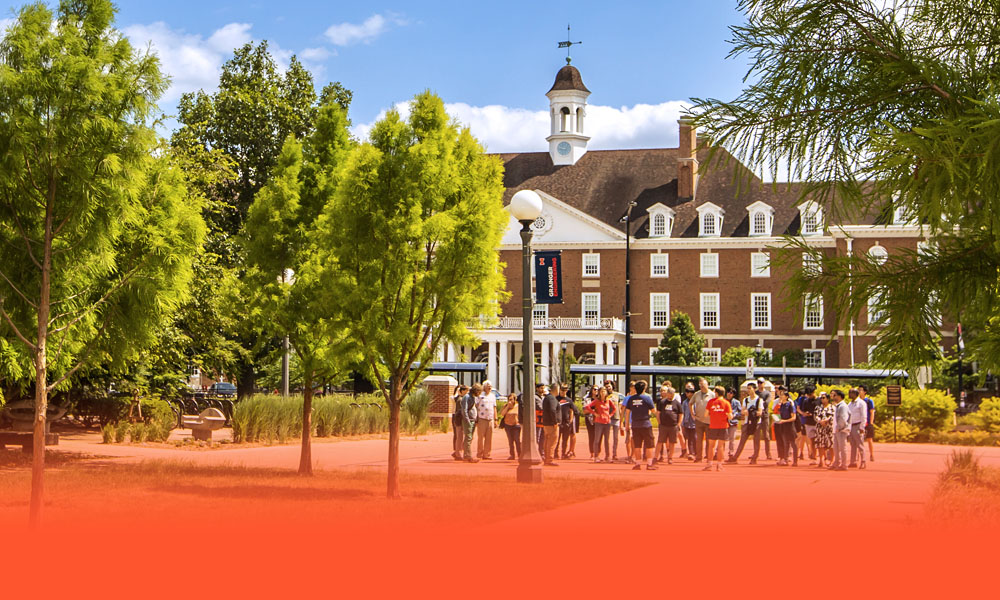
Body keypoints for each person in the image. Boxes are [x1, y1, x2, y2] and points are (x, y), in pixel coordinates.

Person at [625, 380, 657, 470]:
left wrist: (627, 424)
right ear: (644, 389)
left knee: (637, 445)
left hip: (635, 425)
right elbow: (654, 411)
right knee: (649, 444)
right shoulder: (647, 398)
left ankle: (638, 463)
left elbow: (627, 412)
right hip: (645, 424)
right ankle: (649, 464)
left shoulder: (631, 399)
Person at [703, 385, 732, 471]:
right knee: (720, 446)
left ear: (716, 393)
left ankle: (709, 464)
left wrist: (713, 413)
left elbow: (705, 414)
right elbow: (730, 416)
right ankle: (719, 465)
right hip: (723, 427)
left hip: (713, 426)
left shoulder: (711, 402)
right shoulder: (726, 403)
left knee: (711, 446)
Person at [584, 386, 616, 462]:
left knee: (606, 440)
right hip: (599, 422)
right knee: (597, 439)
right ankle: (596, 456)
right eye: (601, 391)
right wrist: (594, 413)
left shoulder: (608, 401)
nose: (603, 393)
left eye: (604, 391)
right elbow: (588, 407)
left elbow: (614, 409)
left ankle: (607, 456)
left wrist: (610, 415)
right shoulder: (597, 401)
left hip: (607, 422)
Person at [748, 382, 773, 465]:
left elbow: (766, 403)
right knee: (756, 436)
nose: (759, 384)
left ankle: (768, 453)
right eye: (758, 382)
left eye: (761, 382)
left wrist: (759, 405)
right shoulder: (756, 394)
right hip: (756, 417)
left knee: (766, 435)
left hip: (764, 415)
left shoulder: (767, 393)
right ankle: (755, 454)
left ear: (764, 383)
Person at [655, 385, 682, 464]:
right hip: (663, 425)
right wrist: (659, 422)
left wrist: (679, 424)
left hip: (673, 426)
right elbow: (658, 413)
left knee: (672, 442)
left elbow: (680, 414)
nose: (670, 396)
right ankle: (655, 457)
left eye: (671, 395)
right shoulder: (662, 402)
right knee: (660, 441)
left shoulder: (677, 403)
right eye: (669, 395)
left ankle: (670, 457)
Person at [691, 378, 715, 462]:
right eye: (700, 386)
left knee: (709, 440)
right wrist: (692, 413)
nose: (702, 387)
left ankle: (708, 457)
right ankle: (698, 457)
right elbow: (690, 403)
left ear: (707, 385)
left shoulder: (712, 394)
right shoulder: (696, 394)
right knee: (698, 440)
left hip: (709, 421)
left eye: (703, 385)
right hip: (699, 420)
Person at [774, 385, 799, 466]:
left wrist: (784, 421)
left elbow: (793, 417)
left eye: (782, 395)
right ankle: (785, 459)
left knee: (793, 444)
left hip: (790, 426)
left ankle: (795, 461)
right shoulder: (781, 405)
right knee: (785, 443)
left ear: (786, 396)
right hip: (783, 426)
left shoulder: (790, 404)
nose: (780, 396)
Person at [557, 384, 581, 459]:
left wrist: (570, 421)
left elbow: (575, 411)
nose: (564, 392)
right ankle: (555, 453)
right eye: (562, 390)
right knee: (556, 440)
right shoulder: (555, 399)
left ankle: (563, 453)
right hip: (558, 422)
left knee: (565, 440)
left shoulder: (569, 400)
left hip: (566, 423)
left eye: (565, 390)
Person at [797, 385, 818, 465]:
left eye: (810, 394)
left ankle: (824, 457)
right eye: (807, 395)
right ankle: (814, 457)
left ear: (813, 392)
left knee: (819, 441)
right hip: (808, 423)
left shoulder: (819, 400)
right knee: (812, 441)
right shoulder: (806, 401)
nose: (809, 396)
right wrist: (804, 414)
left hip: (817, 423)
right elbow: (803, 410)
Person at [476, 380, 497, 459]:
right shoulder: (480, 396)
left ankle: (487, 454)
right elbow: (476, 406)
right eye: (488, 386)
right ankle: (479, 453)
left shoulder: (492, 396)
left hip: (490, 418)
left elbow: (494, 407)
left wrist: (495, 419)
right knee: (480, 437)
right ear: (484, 387)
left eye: (490, 386)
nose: (489, 387)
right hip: (482, 418)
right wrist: (476, 419)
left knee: (489, 438)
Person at [830, 389, 851, 471]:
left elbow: (843, 418)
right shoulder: (838, 405)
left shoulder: (842, 406)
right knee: (836, 448)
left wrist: (839, 427)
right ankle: (837, 463)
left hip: (841, 430)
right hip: (836, 429)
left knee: (842, 448)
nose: (832, 396)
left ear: (839, 396)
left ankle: (844, 465)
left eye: (834, 395)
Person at [604, 380, 624, 462]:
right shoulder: (604, 395)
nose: (608, 387)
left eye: (609, 385)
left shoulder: (617, 395)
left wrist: (621, 420)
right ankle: (607, 454)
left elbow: (620, 407)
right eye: (606, 386)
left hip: (616, 418)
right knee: (607, 437)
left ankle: (614, 453)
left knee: (615, 437)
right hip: (607, 418)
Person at [848, 388, 868, 469]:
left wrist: (862, 427)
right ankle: (853, 461)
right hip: (851, 425)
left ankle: (863, 461)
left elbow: (864, 416)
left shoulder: (861, 403)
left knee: (860, 444)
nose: (849, 395)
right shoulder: (850, 404)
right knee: (853, 445)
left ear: (855, 394)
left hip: (858, 425)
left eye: (850, 393)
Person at [813, 392, 834, 468]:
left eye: (823, 398)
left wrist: (826, 421)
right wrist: (820, 421)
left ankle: (832, 460)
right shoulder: (818, 407)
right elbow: (815, 416)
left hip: (829, 428)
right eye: (821, 398)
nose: (822, 399)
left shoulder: (832, 407)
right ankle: (821, 460)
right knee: (820, 444)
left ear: (828, 399)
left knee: (831, 444)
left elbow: (832, 416)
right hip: (820, 428)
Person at [498, 392, 521, 460]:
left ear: (515, 399)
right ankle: (512, 455)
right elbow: (502, 414)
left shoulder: (518, 406)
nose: (510, 401)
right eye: (509, 399)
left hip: (516, 426)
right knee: (510, 441)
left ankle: (519, 454)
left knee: (517, 440)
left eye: (511, 399)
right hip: (508, 425)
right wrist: (508, 406)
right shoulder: (506, 406)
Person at [541, 384, 560, 466]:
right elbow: (552, 410)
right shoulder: (552, 398)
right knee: (552, 441)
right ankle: (549, 458)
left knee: (547, 441)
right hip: (551, 424)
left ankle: (546, 457)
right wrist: (555, 421)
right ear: (556, 389)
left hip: (546, 423)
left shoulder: (547, 398)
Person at [460, 384, 480, 462]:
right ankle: (467, 456)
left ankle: (467, 454)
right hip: (468, 420)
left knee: (470, 438)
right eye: (478, 391)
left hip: (473, 420)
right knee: (468, 438)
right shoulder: (467, 397)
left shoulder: (472, 397)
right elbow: (464, 410)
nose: (479, 393)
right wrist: (467, 420)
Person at [451, 384, 469, 461]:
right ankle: (458, 453)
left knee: (460, 436)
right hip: (459, 420)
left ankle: (457, 452)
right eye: (466, 390)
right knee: (459, 436)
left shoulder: (463, 399)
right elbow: (460, 411)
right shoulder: (460, 400)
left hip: (460, 419)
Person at [859, 384, 876, 462]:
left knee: (869, 439)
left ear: (865, 392)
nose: (859, 391)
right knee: (858, 440)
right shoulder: (857, 401)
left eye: (861, 390)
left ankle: (872, 454)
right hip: (859, 423)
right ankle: (858, 456)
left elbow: (872, 412)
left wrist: (871, 423)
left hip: (867, 423)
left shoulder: (869, 401)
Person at [681, 384, 697, 459]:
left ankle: (696, 452)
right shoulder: (684, 402)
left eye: (691, 392)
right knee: (689, 439)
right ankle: (691, 453)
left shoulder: (697, 401)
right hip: (687, 423)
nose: (689, 393)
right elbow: (682, 413)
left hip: (695, 423)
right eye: (687, 392)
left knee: (695, 438)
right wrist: (682, 423)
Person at [725, 387, 741, 461]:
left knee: (732, 439)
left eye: (731, 392)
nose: (729, 394)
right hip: (724, 422)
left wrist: (735, 415)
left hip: (733, 422)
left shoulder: (737, 402)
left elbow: (740, 412)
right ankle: (718, 453)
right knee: (722, 438)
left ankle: (731, 453)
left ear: (733, 394)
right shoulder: (724, 401)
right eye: (728, 392)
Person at [583, 384, 600, 459]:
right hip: (589, 420)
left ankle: (598, 453)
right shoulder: (587, 399)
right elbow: (585, 411)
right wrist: (594, 411)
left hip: (599, 420)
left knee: (598, 436)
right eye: (594, 389)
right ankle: (592, 453)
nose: (596, 391)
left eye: (597, 389)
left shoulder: (600, 399)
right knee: (591, 436)